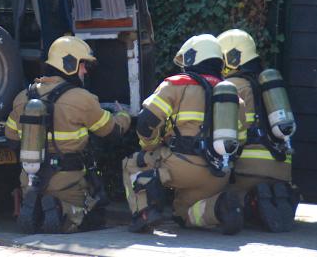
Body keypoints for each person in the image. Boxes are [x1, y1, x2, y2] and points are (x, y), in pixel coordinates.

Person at [5, 35, 131, 234]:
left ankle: (33, 207)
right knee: (95, 216)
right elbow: (111, 131)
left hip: (30, 181)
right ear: (69, 63)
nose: (85, 71)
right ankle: (62, 210)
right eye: (83, 65)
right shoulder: (82, 99)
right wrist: (124, 115)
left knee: (38, 201)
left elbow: (11, 139)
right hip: (68, 184)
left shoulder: (23, 98)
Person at [123, 34, 246, 235]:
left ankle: (145, 214)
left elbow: (146, 123)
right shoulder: (232, 98)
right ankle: (219, 207)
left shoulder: (176, 85)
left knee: (131, 164)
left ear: (191, 57)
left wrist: (151, 146)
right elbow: (240, 141)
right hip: (218, 174)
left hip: (180, 166)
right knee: (184, 215)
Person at [217, 29, 300, 232]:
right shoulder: (270, 85)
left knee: (225, 198)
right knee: (270, 185)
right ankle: (281, 194)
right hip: (282, 166)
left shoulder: (229, 87)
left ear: (232, 57)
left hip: (249, 168)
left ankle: (251, 202)